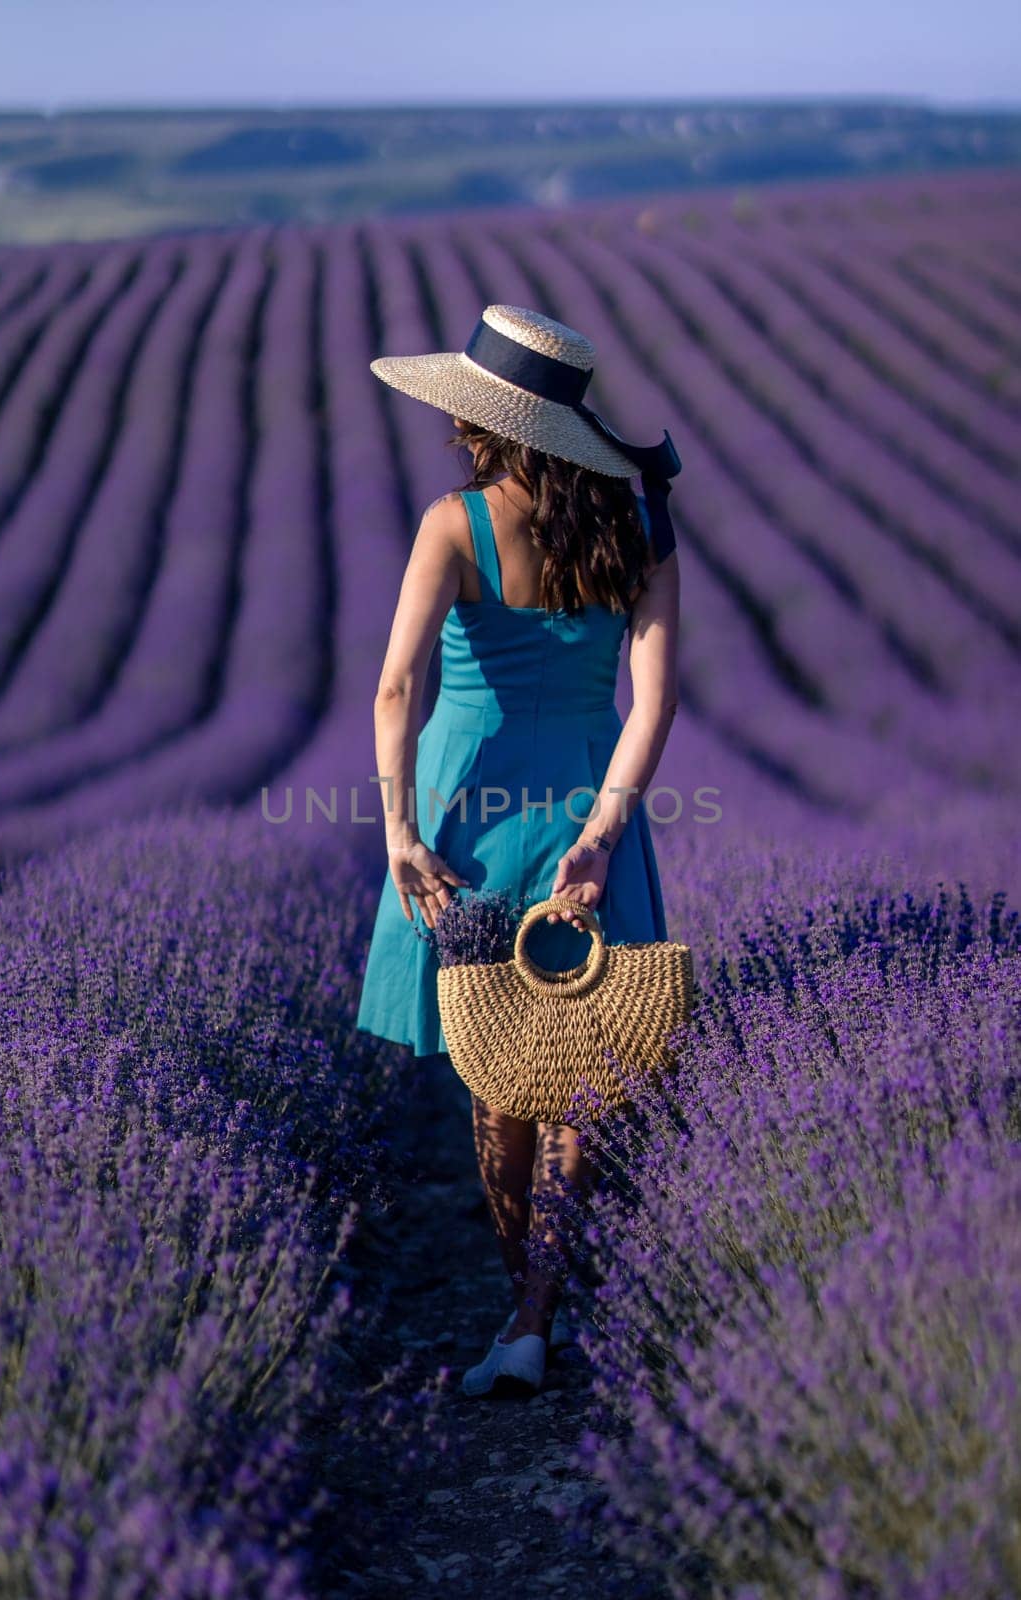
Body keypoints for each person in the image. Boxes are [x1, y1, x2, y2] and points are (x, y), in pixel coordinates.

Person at [355, 304, 681, 1398]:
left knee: (496, 1073)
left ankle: (524, 1312)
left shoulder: (455, 522)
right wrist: (599, 836)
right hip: (589, 816)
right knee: (584, 1068)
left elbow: (397, 687)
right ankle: (544, 1306)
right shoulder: (640, 525)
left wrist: (401, 830)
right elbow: (654, 701)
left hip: (476, 814)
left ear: (486, 422)